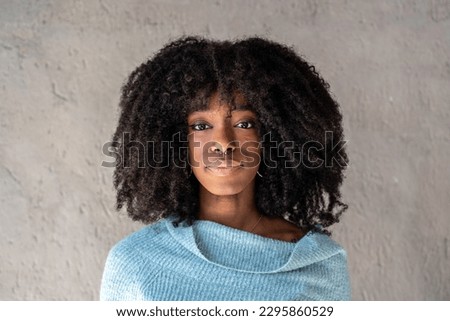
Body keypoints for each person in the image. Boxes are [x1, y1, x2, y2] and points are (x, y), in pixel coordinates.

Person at [100, 36, 351, 300]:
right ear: (173, 141)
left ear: (275, 137)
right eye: (200, 126)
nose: (222, 143)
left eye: (245, 124)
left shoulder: (319, 265)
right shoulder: (135, 263)